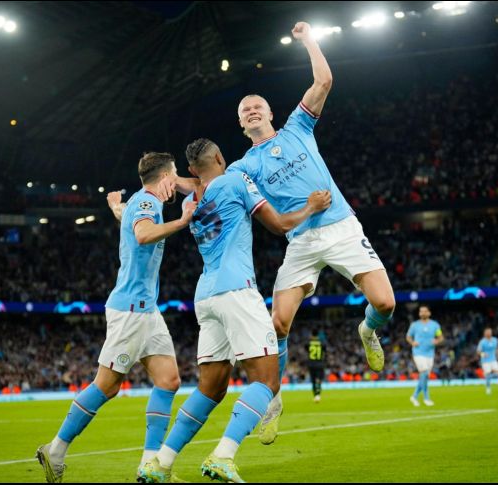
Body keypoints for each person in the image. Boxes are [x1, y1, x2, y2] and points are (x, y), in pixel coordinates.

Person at [167, 21, 395, 445]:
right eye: (244, 110)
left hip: (342, 227)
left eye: (257, 106)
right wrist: (172, 183)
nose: (252, 111)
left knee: (384, 302)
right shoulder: (241, 167)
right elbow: (207, 184)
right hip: (302, 242)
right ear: (240, 124)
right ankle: (272, 399)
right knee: (278, 323)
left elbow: (324, 80)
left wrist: (308, 38)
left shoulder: (298, 128)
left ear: (270, 113)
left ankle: (368, 330)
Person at [137, 138, 330, 483]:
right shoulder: (238, 181)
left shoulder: (194, 198)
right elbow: (281, 224)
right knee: (267, 381)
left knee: (211, 389)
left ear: (193, 171)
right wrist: (311, 208)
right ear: (221, 157)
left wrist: (183, 181)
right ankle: (223, 455)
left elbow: (198, 183)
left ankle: (160, 463)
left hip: (206, 296)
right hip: (237, 291)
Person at [35, 152, 197, 483]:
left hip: (147, 310)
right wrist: (182, 221)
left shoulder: (140, 203)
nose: (176, 181)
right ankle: (55, 450)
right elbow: (142, 234)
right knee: (106, 386)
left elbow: (131, 222)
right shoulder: (148, 204)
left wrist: (115, 209)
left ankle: (150, 466)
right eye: (174, 175)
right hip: (131, 311)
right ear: (165, 176)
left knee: (168, 381)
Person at [406, 305, 443, 407]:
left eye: (424, 311)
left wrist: (437, 341)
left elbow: (440, 337)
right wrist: (412, 343)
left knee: (425, 376)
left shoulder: (435, 325)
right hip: (418, 352)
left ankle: (414, 396)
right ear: (419, 313)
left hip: (430, 353)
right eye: (421, 311)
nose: (422, 313)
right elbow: (408, 337)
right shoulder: (414, 325)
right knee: (424, 372)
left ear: (429, 313)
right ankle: (426, 398)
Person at [477, 328, 498, 395]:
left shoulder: (495, 340)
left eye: (490, 332)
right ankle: (488, 388)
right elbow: (478, 351)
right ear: (485, 333)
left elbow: (497, 348)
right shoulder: (482, 342)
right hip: (485, 361)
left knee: (497, 374)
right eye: (487, 332)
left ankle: (487, 377)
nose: (488, 333)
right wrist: (483, 354)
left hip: (493, 359)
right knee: (488, 373)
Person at [307, 328, 327, 403]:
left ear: (312, 334)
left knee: (313, 380)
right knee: (318, 380)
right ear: (318, 334)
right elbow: (325, 350)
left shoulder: (309, 342)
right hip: (319, 363)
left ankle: (315, 395)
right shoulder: (322, 342)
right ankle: (318, 395)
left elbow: (307, 349)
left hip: (311, 364)